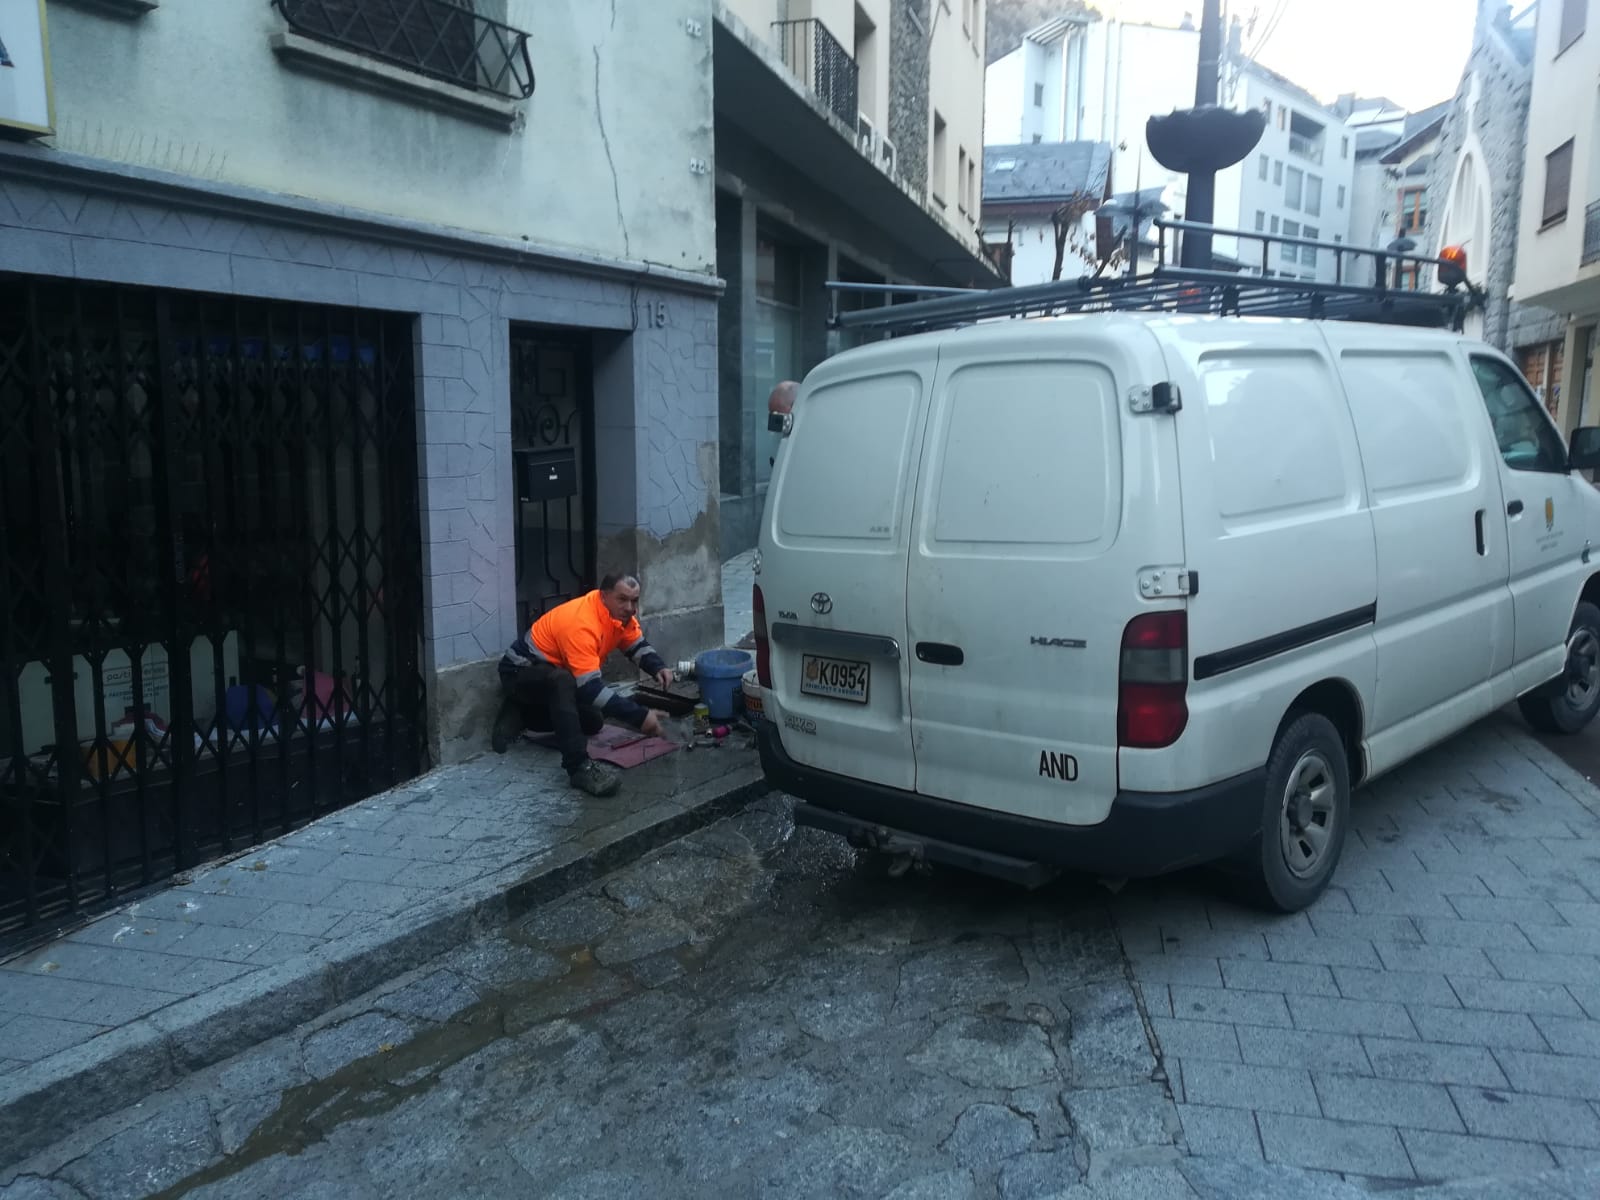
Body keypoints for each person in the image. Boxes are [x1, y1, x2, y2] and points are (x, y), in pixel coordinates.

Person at [492, 573, 675, 797]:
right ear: (604, 596)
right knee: (562, 681)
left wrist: (658, 667)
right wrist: (640, 716)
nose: (630, 607)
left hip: (551, 674)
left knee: (593, 722)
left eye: (634, 600)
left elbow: (635, 645)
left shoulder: (619, 617)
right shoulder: (582, 623)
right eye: (623, 599)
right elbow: (590, 688)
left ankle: (523, 715)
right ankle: (578, 767)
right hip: (518, 672)